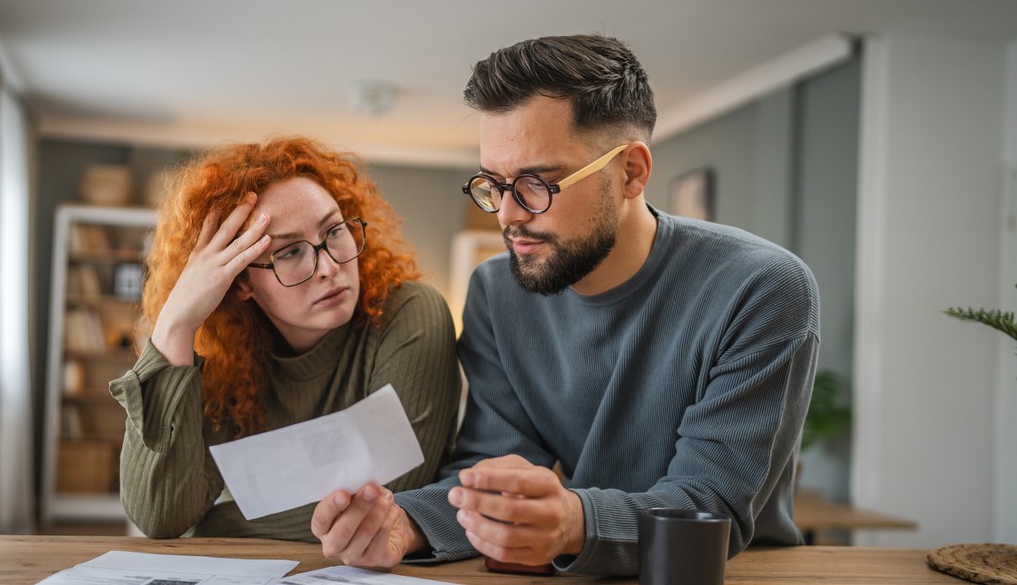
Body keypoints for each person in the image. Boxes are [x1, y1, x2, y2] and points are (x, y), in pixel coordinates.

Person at [310, 35, 820, 576]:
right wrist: (407, 524)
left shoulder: (760, 287)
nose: (506, 215)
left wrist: (575, 522)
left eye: (536, 183)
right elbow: (492, 466)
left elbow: (707, 504)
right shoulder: (495, 291)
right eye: (494, 184)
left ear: (630, 173)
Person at [110, 137, 462, 541]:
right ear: (239, 280)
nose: (329, 267)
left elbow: (386, 497)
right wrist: (175, 324)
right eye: (291, 252)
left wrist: (215, 526)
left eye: (334, 231)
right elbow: (159, 516)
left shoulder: (409, 313)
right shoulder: (226, 359)